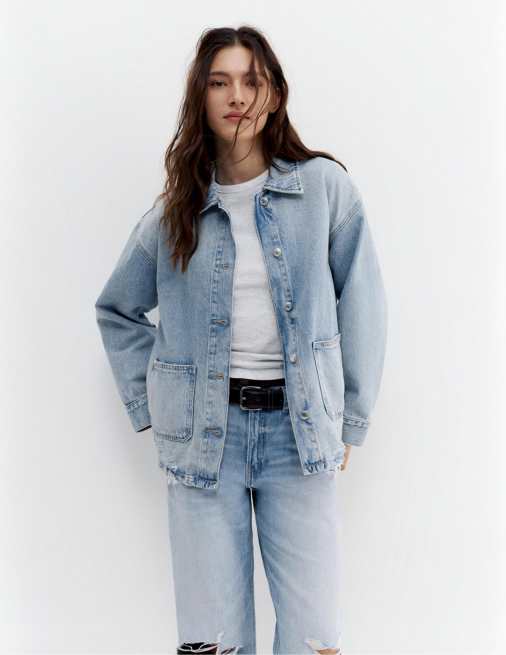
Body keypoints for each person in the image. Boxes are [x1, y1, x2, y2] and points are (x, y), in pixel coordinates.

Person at [95, 25, 388, 655]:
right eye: (219, 82)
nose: (237, 96)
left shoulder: (324, 189)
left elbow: (363, 301)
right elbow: (117, 309)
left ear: (274, 94)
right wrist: (161, 404)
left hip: (298, 433)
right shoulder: (176, 211)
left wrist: (352, 418)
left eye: (252, 81)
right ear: (200, 98)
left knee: (315, 637)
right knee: (213, 642)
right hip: (206, 441)